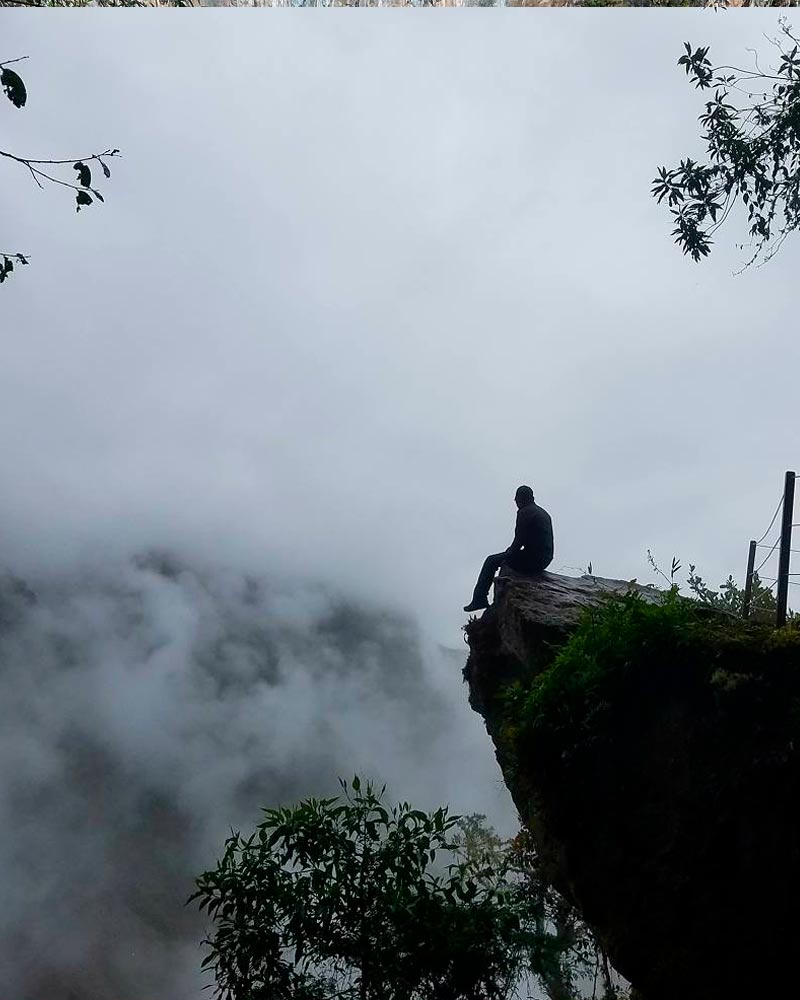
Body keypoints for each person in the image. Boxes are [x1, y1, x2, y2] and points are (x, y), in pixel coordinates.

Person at [463, 485, 554, 612]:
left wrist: (508, 553)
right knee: (502, 558)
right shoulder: (542, 512)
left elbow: (518, 542)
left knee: (491, 561)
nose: (516, 502)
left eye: (517, 499)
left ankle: (479, 599)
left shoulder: (525, 512)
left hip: (533, 560)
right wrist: (510, 552)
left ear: (520, 499)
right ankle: (480, 599)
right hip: (545, 559)